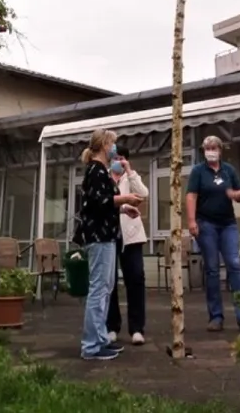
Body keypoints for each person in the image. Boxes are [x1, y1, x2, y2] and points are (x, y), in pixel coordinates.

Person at [73, 128, 143, 361]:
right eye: (112, 143)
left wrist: (123, 207)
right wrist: (126, 199)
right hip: (99, 237)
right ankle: (91, 346)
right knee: (99, 290)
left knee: (106, 287)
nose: (114, 147)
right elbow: (99, 201)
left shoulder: (100, 171)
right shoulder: (95, 170)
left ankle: (101, 339)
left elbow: (101, 203)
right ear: (104, 145)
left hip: (106, 235)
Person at [185, 135, 240, 332]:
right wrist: (191, 221)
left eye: (214, 147)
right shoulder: (198, 171)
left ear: (220, 150)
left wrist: (237, 194)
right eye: (207, 147)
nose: (211, 150)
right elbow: (191, 195)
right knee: (213, 269)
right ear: (203, 150)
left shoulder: (228, 170)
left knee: (234, 263)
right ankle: (216, 316)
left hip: (228, 224)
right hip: (206, 224)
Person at [106, 146, 149, 346]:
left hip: (132, 236)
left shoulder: (131, 178)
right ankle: (112, 327)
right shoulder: (104, 177)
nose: (118, 161)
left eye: (121, 158)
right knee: (110, 281)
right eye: (115, 158)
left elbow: (143, 193)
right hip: (110, 235)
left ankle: (137, 328)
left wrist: (130, 171)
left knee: (136, 279)